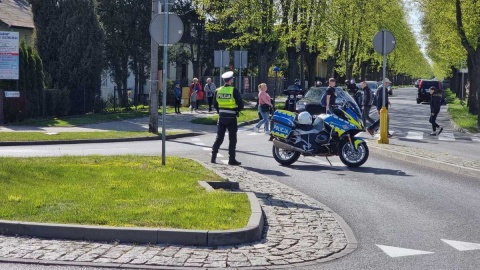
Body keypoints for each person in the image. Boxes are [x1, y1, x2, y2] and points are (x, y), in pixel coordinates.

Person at [211, 71, 244, 166]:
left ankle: (213, 157)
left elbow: (215, 104)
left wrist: (220, 111)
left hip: (221, 117)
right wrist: (237, 109)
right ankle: (231, 159)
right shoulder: (234, 90)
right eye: (232, 79)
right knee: (232, 139)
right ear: (230, 80)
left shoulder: (218, 90)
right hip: (231, 118)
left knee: (219, 138)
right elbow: (241, 104)